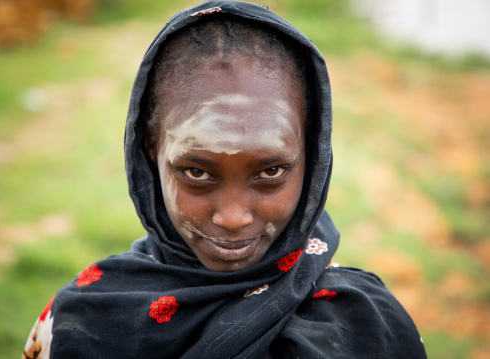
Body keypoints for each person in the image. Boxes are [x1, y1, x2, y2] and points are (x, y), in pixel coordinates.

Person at [23, 1, 427, 358]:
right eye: (197, 173)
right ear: (150, 147)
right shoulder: (82, 320)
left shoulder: (366, 324)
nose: (233, 218)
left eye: (271, 172)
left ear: (312, 154)